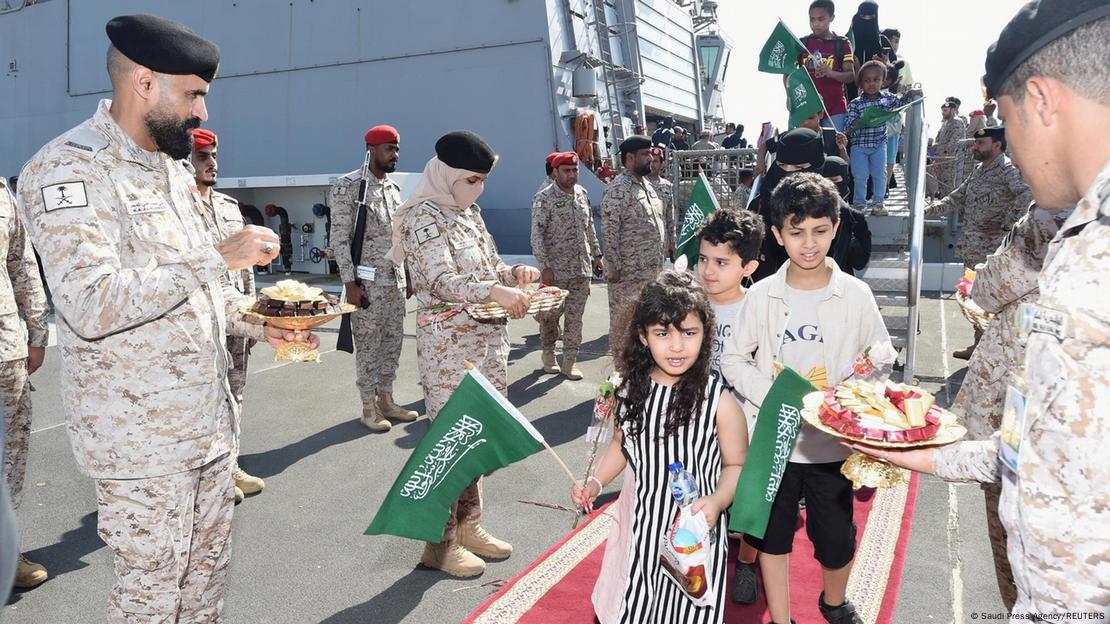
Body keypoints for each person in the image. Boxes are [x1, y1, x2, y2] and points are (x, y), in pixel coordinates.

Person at [15, 15, 312, 621]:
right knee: (150, 601)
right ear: (144, 83)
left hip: (208, 429)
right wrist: (218, 254)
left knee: (203, 591)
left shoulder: (171, 170)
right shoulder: (70, 168)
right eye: (194, 93)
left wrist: (261, 321)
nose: (203, 111)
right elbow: (91, 303)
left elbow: (199, 294)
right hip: (141, 444)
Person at [848, 3, 1110, 616]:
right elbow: (1048, 448)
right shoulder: (1081, 235)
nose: (1012, 150)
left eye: (1006, 121)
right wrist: (923, 452)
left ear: (1041, 100)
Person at [721, 173, 889, 624]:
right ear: (778, 235)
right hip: (774, 444)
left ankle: (833, 602)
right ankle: (781, 617)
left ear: (836, 228)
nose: (808, 244)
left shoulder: (856, 295)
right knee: (773, 539)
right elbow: (733, 360)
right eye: (796, 233)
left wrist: (852, 394)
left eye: (819, 231)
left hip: (831, 447)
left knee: (835, 541)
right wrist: (776, 395)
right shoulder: (760, 298)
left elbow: (879, 358)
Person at [390, 130, 540, 578]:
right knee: (451, 444)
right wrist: (495, 289)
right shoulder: (421, 217)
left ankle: (470, 525)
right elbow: (439, 280)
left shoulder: (468, 213)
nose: (480, 189)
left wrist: (514, 273)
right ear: (450, 175)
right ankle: (439, 544)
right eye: (473, 180)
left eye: (483, 181)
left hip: (488, 344)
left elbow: (489, 265)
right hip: (450, 351)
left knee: (478, 440)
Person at [573, 271, 748, 624]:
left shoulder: (720, 402)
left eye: (689, 332)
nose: (677, 345)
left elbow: (735, 466)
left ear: (705, 335)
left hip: (694, 533)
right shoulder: (628, 391)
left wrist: (717, 501)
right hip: (641, 526)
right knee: (636, 603)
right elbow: (623, 446)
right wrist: (595, 482)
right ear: (643, 336)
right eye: (662, 333)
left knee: (686, 609)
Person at [953, 203, 1073, 610]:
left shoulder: (1051, 216)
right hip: (1062, 397)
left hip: (1024, 396)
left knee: (1013, 530)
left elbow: (988, 289)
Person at [691, 208, 767, 605]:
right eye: (703, 258)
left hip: (747, 417)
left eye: (722, 262)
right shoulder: (687, 300)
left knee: (752, 493)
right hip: (694, 418)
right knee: (696, 486)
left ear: (748, 266)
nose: (708, 270)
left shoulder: (762, 308)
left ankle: (748, 563)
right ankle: (692, 548)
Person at [189, 128, 266, 503]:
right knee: (207, 399)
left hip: (237, 319)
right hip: (203, 325)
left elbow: (247, 266)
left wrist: (251, 314)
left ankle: (231, 464)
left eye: (214, 155)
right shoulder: (178, 207)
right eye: (203, 156)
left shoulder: (228, 205)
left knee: (236, 394)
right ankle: (213, 478)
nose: (212, 163)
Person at [328, 124, 418, 432]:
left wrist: (407, 271)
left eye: (396, 149)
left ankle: (386, 400)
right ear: (371, 150)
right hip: (366, 285)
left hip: (394, 282)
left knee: (393, 343)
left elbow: (399, 237)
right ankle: (368, 407)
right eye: (389, 149)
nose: (395, 154)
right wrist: (349, 283)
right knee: (368, 346)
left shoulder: (392, 188)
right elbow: (339, 238)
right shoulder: (349, 186)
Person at [925, 126, 1032, 359]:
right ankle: (978, 347)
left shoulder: (1006, 170)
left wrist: (1007, 225)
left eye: (981, 143)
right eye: (976, 143)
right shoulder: (979, 170)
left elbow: (1026, 195)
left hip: (992, 250)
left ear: (997, 145)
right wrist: (927, 210)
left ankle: (990, 352)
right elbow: (958, 197)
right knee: (975, 299)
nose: (975, 147)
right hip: (973, 247)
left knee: (989, 300)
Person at [0, 174, 49, 589]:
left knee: (9, 458)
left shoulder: (2, 193)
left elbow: (22, 264)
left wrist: (37, 332)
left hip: (4, 354)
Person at [530, 151, 604, 380]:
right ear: (556, 172)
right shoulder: (544, 198)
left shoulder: (582, 194)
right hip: (556, 271)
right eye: (567, 171)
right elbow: (537, 235)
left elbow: (589, 227)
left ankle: (569, 362)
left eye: (575, 171)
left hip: (581, 269)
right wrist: (545, 267)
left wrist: (597, 254)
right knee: (550, 316)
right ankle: (549, 353)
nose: (572, 175)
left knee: (575, 318)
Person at [600, 136, 666, 339]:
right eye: (645, 154)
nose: (650, 158)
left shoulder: (646, 185)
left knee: (647, 328)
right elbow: (609, 231)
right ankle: (622, 370)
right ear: (630, 157)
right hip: (628, 276)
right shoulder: (619, 188)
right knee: (624, 329)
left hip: (650, 273)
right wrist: (614, 266)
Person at [842, 60, 920, 215]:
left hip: (879, 144)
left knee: (880, 174)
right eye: (867, 80)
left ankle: (878, 203)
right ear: (860, 83)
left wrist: (912, 93)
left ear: (883, 81)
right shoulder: (855, 103)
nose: (871, 84)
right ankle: (859, 204)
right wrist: (860, 122)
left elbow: (900, 102)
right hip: (859, 145)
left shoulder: (885, 99)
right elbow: (848, 125)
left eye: (876, 80)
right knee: (860, 175)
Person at [750, 127, 827, 282]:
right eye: (782, 165)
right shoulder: (759, 204)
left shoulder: (833, 208)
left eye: (798, 167)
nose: (788, 173)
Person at [799, 0, 856, 132]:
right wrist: (790, 96)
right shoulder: (803, 43)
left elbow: (850, 76)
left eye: (821, 19)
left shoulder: (842, 43)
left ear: (832, 18)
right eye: (812, 19)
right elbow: (789, 74)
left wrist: (830, 73)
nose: (815, 24)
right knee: (806, 147)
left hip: (835, 109)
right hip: (807, 108)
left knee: (833, 148)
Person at [822, 156, 873, 276]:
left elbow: (860, 263)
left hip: (842, 285)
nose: (830, 186)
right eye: (825, 181)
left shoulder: (855, 218)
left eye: (834, 180)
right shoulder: (807, 214)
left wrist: (846, 224)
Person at [931, 97, 968, 197]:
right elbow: (939, 136)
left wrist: (945, 153)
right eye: (942, 111)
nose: (943, 113)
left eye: (945, 111)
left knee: (949, 183)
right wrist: (936, 144)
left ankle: (950, 210)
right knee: (941, 182)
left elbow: (954, 141)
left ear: (952, 110)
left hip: (950, 159)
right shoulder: (946, 122)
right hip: (941, 158)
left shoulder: (958, 122)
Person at [647, 146, 676, 257]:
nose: (652, 164)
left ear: (662, 164)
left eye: (656, 161)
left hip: (662, 242)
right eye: (650, 161)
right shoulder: (639, 184)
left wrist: (672, 241)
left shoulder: (667, 186)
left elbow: (670, 216)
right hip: (643, 243)